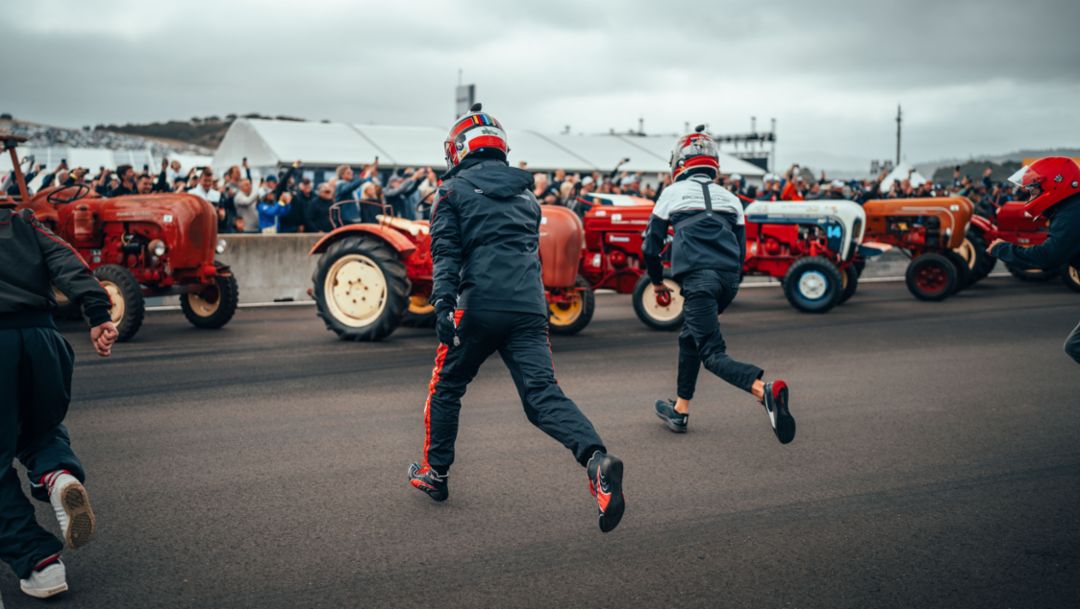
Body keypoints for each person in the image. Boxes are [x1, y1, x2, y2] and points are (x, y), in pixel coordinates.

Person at [407, 103, 626, 533]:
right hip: (529, 308)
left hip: (478, 306)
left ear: (459, 149)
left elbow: (447, 255)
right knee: (543, 395)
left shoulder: (450, 193)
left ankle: (436, 474)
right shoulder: (528, 197)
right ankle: (596, 459)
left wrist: (442, 305)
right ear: (500, 147)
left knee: (447, 387)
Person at [0, 162, 118, 599]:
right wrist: (99, 316)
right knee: (41, 429)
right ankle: (57, 475)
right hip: (44, 341)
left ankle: (40, 562)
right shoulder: (25, 222)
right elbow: (71, 264)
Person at [642, 125, 795, 442]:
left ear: (680, 162)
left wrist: (657, 283)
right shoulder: (733, 199)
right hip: (727, 282)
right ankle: (680, 409)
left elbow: (649, 246)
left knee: (711, 353)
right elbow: (740, 251)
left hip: (699, 280)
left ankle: (763, 390)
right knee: (690, 338)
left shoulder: (671, 194)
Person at [988, 157, 1080, 364]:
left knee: (1076, 346)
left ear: (1055, 184)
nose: (1030, 194)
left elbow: (1048, 256)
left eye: (1034, 189)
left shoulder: (1072, 213)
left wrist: (1003, 249)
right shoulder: (1070, 208)